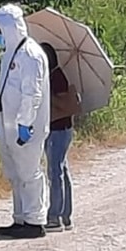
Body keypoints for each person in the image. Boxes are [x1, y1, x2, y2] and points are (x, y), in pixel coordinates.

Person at [0, 3, 50, 239]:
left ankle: (35, 220)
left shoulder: (31, 54)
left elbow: (32, 93)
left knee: (29, 172)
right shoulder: (10, 54)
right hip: (7, 125)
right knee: (15, 174)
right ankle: (20, 218)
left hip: (27, 128)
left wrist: (25, 123)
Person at [41, 42, 77, 232]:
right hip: (62, 129)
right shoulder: (56, 75)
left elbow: (60, 103)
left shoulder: (56, 77)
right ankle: (65, 215)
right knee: (61, 169)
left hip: (58, 128)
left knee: (55, 171)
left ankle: (55, 216)